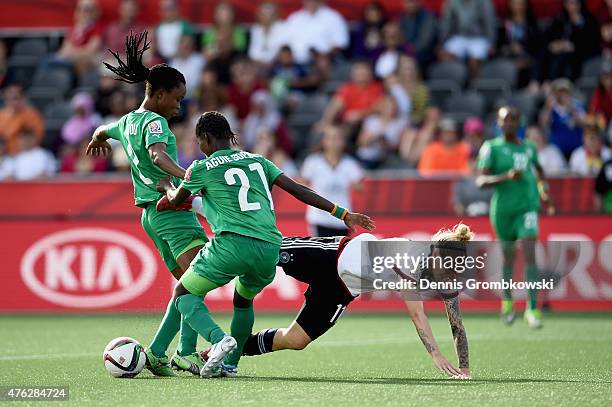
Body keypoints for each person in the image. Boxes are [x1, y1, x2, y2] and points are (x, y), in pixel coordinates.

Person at [155, 110, 375, 378]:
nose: (200, 147)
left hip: (232, 244)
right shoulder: (258, 161)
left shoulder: (200, 167)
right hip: (271, 248)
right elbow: (298, 190)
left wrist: (166, 185)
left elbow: (176, 201)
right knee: (243, 300)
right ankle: (231, 364)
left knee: (183, 294)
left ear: (206, 138)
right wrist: (342, 213)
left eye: (199, 142)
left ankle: (218, 339)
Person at [174, 223, 471, 379]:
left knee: (295, 340)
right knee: (266, 253)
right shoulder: (410, 256)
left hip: (342, 289)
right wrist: (436, 355)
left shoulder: (446, 275)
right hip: (332, 256)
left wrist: (465, 367)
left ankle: (218, 352)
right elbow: (417, 316)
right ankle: (218, 242)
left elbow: (456, 324)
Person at [84, 31, 209, 377]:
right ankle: (185, 353)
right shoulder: (154, 123)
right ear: (159, 93)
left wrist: (96, 139)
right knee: (197, 284)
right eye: (177, 98)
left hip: (150, 218)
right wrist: (190, 178)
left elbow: (102, 130)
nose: (179, 106)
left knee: (187, 286)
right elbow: (157, 155)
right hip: (172, 212)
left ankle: (156, 353)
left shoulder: (127, 121)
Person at [476, 106, 555, 329]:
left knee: (530, 251)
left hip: (527, 207)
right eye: (505, 120)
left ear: (519, 123)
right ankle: (508, 301)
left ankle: (532, 308)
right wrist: (506, 176)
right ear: (498, 124)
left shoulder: (529, 147)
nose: (509, 123)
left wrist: (543, 191)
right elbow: (480, 181)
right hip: (502, 211)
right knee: (508, 256)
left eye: (513, 119)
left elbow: (539, 170)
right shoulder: (491, 148)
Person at [301, 126, 364, 237]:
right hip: (319, 218)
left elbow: (361, 186)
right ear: (324, 141)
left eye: (338, 138)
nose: (335, 141)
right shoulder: (313, 162)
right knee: (320, 252)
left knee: (340, 253)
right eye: (331, 138)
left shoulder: (350, 164)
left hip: (342, 218)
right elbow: (302, 183)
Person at [316, 60, 384, 133]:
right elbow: (335, 106)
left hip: (369, 122)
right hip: (348, 123)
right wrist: (325, 122)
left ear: (370, 73)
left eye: (364, 72)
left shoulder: (378, 88)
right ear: (353, 74)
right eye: (358, 72)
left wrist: (360, 114)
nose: (361, 75)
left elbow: (380, 107)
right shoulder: (347, 88)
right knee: (324, 130)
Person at [438, 0, 497, 79]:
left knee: (475, 60)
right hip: (459, 36)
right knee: (446, 55)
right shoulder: (452, 2)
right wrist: (443, 44)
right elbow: (446, 24)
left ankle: (475, 85)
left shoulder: (484, 2)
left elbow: (490, 23)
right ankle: (456, 82)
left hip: (479, 37)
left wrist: (491, 42)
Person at [544, 0, 600, 81]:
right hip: (561, 51)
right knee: (545, 55)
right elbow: (549, 36)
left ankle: (563, 83)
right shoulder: (560, 19)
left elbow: (591, 42)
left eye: (575, 3)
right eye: (569, 3)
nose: (572, 6)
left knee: (567, 59)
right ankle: (543, 82)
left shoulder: (588, 20)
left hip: (581, 52)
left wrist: (573, 45)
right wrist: (554, 44)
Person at [282, 0, 349, 64]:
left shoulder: (334, 17)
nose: (311, 2)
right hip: (294, 62)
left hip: (322, 61)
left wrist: (324, 56)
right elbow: (284, 42)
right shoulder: (294, 18)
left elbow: (340, 44)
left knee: (323, 63)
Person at [496, 0, 541, 89]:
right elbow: (499, 45)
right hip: (508, 58)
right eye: (514, 3)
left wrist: (523, 49)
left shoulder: (532, 25)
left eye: (520, 4)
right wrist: (508, 48)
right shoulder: (504, 25)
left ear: (525, 6)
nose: (517, 7)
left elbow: (537, 45)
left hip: (527, 57)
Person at [53, 0, 103, 78]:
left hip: (84, 60)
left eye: (87, 10)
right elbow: (64, 48)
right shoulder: (73, 28)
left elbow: (90, 50)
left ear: (93, 12)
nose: (83, 13)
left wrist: (71, 53)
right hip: (71, 59)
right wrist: (69, 52)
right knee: (49, 61)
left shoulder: (96, 28)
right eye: (80, 9)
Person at [539, 78, 586, 159]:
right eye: (560, 92)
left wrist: (571, 109)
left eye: (565, 92)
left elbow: (582, 123)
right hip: (557, 149)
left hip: (577, 148)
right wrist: (548, 107)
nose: (562, 94)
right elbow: (543, 123)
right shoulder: (551, 107)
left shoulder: (577, 105)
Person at [357, 95, 408, 168]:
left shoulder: (400, 123)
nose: (390, 109)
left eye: (392, 106)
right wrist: (374, 138)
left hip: (384, 158)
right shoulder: (372, 120)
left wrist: (385, 143)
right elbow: (361, 142)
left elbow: (398, 147)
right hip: (365, 156)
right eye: (387, 106)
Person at [0, 83, 45, 155]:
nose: (12, 102)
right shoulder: (1, 114)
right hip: (4, 156)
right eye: (8, 98)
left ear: (23, 98)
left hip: (26, 154)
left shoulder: (32, 115)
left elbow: (37, 137)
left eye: (16, 98)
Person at [386, 54, 429, 124]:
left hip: (412, 123)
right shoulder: (394, 88)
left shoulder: (421, 89)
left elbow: (421, 113)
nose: (408, 72)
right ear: (399, 70)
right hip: (393, 121)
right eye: (405, 68)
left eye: (410, 68)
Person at [398, 0, 437, 71]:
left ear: (419, 2)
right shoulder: (403, 18)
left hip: (425, 56)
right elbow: (400, 38)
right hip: (407, 53)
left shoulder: (428, 17)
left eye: (413, 2)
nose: (410, 5)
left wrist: (409, 52)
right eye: (407, 2)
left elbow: (424, 43)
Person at [248, 2, 286, 66]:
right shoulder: (254, 29)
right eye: (263, 13)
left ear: (276, 14)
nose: (266, 17)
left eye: (269, 13)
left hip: (275, 65)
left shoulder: (283, 28)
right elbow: (252, 53)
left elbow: (280, 51)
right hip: (255, 64)